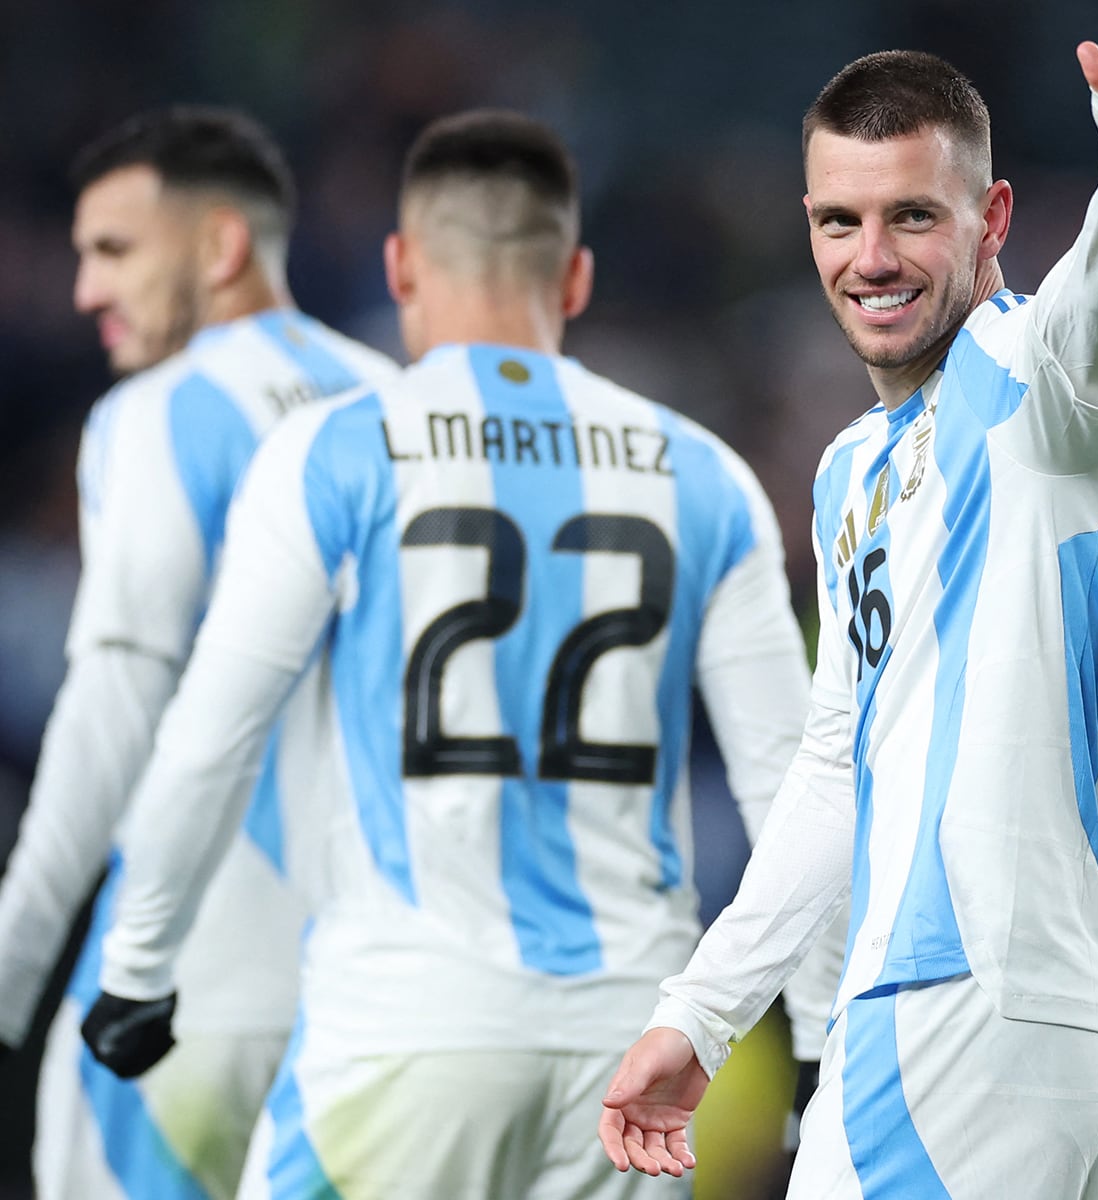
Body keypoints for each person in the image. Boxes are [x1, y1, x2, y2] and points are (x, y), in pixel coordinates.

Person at [80, 109, 836, 1199]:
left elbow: (213, 734)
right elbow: (794, 787)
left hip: (404, 1031)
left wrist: (137, 968)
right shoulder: (703, 474)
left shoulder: (333, 452)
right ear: (573, 278)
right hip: (627, 1052)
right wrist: (819, 1028)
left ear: (401, 267)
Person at [598, 42, 1098, 1199]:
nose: (872, 258)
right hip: (1046, 1029)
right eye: (840, 222)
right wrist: (703, 1013)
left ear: (992, 219)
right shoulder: (852, 468)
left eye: (912, 217)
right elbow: (837, 765)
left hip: (962, 1018)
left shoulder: (1030, 382)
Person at [0, 107, 397, 1199]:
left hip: (187, 985)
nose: (87, 290)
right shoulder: (402, 398)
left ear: (220, 245)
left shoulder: (157, 409)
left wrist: (14, 962)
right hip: (382, 999)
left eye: (115, 250)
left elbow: (116, 705)